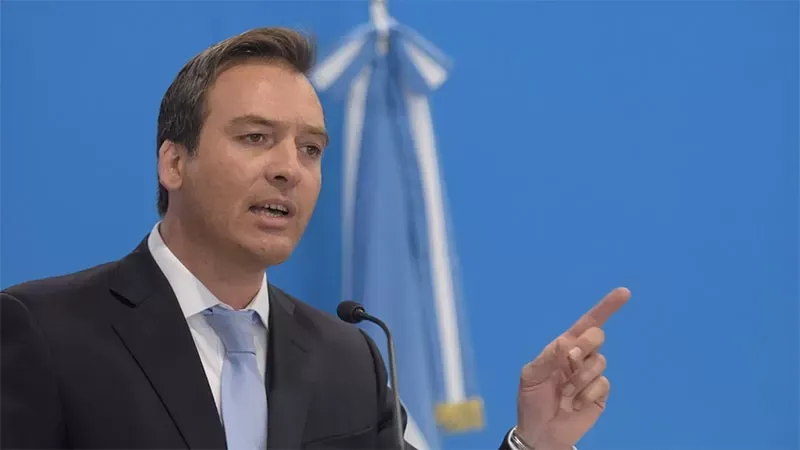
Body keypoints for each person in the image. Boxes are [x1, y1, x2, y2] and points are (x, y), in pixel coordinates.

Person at [0, 27, 629, 450]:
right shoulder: (44, 331)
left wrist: (535, 442)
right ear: (174, 162)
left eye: (310, 149)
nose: (289, 169)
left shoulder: (348, 357)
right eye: (255, 137)